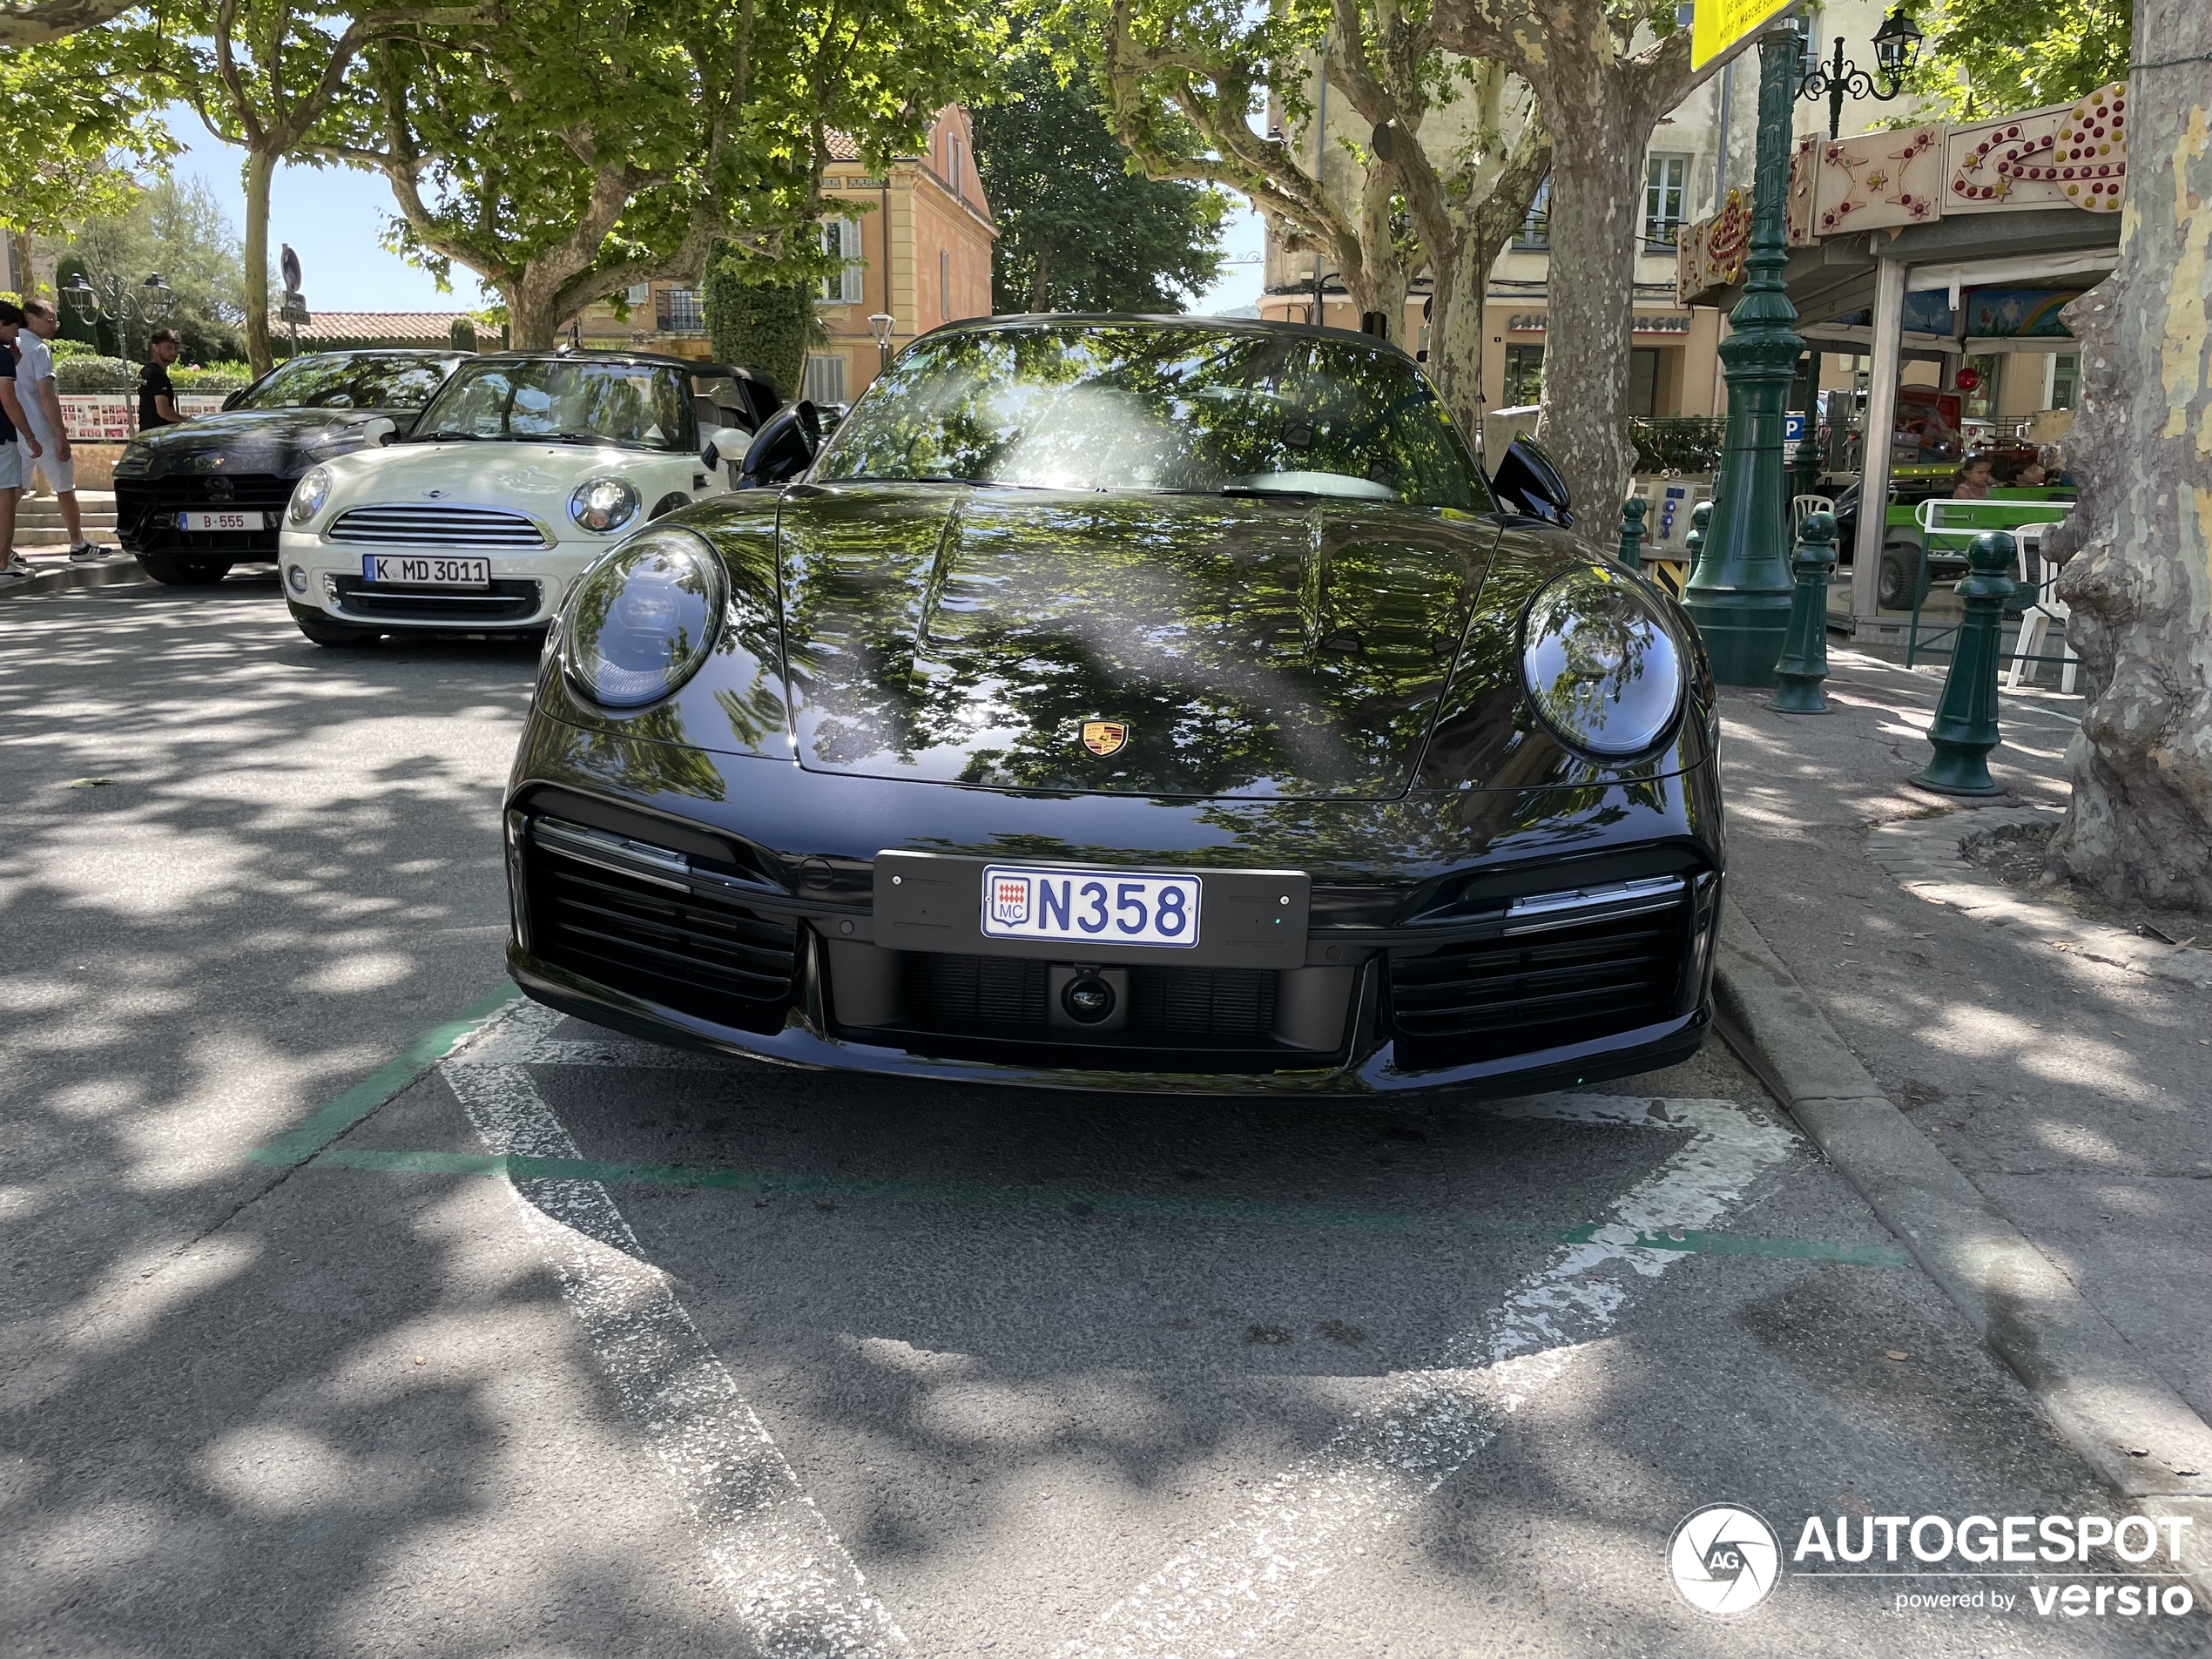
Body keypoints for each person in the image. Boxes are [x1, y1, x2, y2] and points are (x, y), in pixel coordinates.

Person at [18, 298, 116, 562]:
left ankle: (5, 547)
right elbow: (46, 395)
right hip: (43, 430)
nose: (55, 325)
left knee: (12, 490)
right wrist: (61, 435)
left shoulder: (8, 347)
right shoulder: (39, 350)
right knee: (64, 487)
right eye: (49, 320)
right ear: (30, 318)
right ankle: (78, 543)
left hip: (15, 431)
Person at [0, 300, 44, 579]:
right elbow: (8, 399)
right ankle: (2, 564)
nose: (17, 337)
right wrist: (30, 436)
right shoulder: (1, 356)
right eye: (15, 329)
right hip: (2, 441)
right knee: (5, 502)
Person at [138, 328, 182, 430]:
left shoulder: (146, 371)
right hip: (159, 434)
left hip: (148, 433)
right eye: (169, 347)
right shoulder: (156, 374)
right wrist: (186, 421)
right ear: (155, 348)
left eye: (176, 347)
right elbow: (163, 411)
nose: (174, 352)